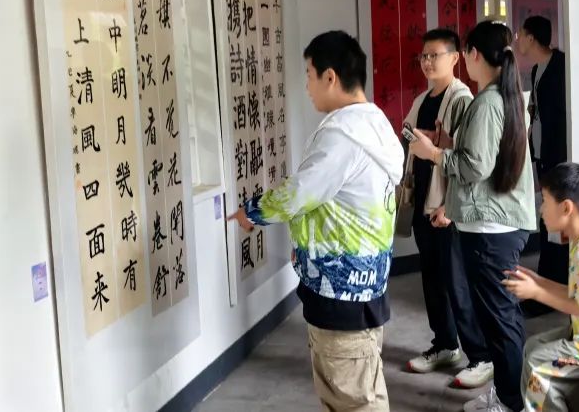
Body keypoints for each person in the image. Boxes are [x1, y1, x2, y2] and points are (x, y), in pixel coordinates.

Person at [228, 31, 404, 412]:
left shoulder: (343, 138)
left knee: (353, 399)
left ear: (330, 77)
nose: (306, 86)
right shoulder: (374, 125)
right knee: (358, 389)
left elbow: (300, 192)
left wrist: (252, 212)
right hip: (363, 287)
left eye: (309, 75)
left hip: (340, 293)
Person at [409, 21, 536, 407]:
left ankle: (510, 401)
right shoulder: (504, 96)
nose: (428, 61)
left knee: (497, 318)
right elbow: (485, 156)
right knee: (502, 315)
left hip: (489, 226)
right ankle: (511, 395)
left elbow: (474, 167)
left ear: (470, 55)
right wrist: (449, 144)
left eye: (460, 53)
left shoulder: (484, 101)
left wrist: (434, 153)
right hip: (499, 221)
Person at [500, 163, 579, 412]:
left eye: (545, 201)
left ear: (566, 207)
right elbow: (578, 296)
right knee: (532, 347)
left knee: (537, 365)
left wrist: (536, 292)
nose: (541, 209)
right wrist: (538, 281)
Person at [399, 29, 484, 381]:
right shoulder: (422, 100)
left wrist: (450, 206)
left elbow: (467, 162)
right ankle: (446, 345)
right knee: (432, 279)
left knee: (457, 283)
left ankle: (480, 355)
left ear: (455, 58)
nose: (428, 62)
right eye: (424, 56)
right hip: (423, 202)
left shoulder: (461, 100)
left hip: (447, 208)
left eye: (435, 55)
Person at [517, 16, 569, 317]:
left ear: (532, 38)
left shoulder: (560, 66)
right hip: (544, 157)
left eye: (520, 35)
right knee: (547, 222)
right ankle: (547, 289)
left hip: (558, 158)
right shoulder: (537, 69)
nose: (517, 41)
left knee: (555, 224)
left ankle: (551, 292)